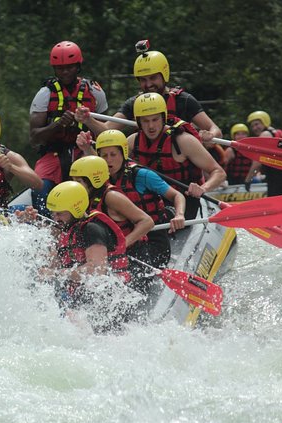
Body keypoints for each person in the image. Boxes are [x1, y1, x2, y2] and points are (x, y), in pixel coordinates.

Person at [76, 129, 186, 270]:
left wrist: (180, 214)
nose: (108, 160)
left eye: (113, 154)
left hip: (152, 239)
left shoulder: (142, 175)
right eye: (104, 156)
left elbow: (177, 195)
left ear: (123, 153)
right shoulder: (97, 180)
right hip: (124, 240)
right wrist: (86, 148)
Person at [75, 42, 221, 143]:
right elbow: (107, 130)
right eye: (143, 80)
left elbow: (214, 129)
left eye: (153, 78)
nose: (148, 84)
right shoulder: (134, 104)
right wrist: (88, 119)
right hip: (151, 171)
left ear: (164, 75)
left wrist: (210, 135)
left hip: (181, 164)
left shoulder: (183, 100)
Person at [41, 181, 133, 333]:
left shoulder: (92, 229)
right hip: (84, 298)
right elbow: (53, 263)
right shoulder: (68, 229)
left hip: (109, 300)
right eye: (54, 213)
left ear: (75, 209)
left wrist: (55, 274)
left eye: (60, 213)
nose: (55, 218)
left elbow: (95, 271)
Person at [29, 41, 108, 215]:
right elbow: (34, 137)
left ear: (78, 66)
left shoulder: (95, 92)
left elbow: (106, 130)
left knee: (98, 183)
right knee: (39, 186)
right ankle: (46, 227)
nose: (65, 72)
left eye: (69, 67)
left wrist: (87, 120)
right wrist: (58, 124)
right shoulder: (45, 94)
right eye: (60, 68)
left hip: (85, 150)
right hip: (53, 152)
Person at [127, 93, 227, 219]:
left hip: (185, 201)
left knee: (164, 215)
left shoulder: (183, 141)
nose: (151, 126)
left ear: (163, 118)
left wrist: (203, 188)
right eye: (145, 121)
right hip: (150, 202)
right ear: (139, 122)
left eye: (155, 119)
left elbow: (219, 172)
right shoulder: (132, 142)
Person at [68, 156, 155, 290]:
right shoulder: (83, 198)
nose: (75, 186)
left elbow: (147, 221)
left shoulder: (111, 197)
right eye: (73, 181)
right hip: (110, 261)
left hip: (133, 258)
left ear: (93, 180)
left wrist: (122, 245)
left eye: (79, 181)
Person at [243, 111, 282, 199]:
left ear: (265, 122)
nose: (255, 128)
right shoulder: (280, 133)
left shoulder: (265, 134)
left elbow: (258, 162)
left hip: (277, 177)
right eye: (252, 126)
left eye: (257, 124)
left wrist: (248, 179)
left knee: (275, 206)